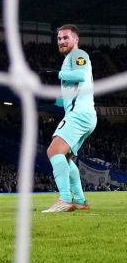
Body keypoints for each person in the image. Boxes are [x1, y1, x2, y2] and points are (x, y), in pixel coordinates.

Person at [43, 24, 96, 213]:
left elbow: (81, 75)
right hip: (84, 114)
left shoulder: (78, 55)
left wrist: (57, 74)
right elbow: (68, 96)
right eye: (59, 38)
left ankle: (65, 198)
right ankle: (80, 201)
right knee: (65, 157)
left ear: (76, 39)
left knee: (53, 151)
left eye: (66, 37)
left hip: (79, 114)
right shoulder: (69, 59)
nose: (62, 41)